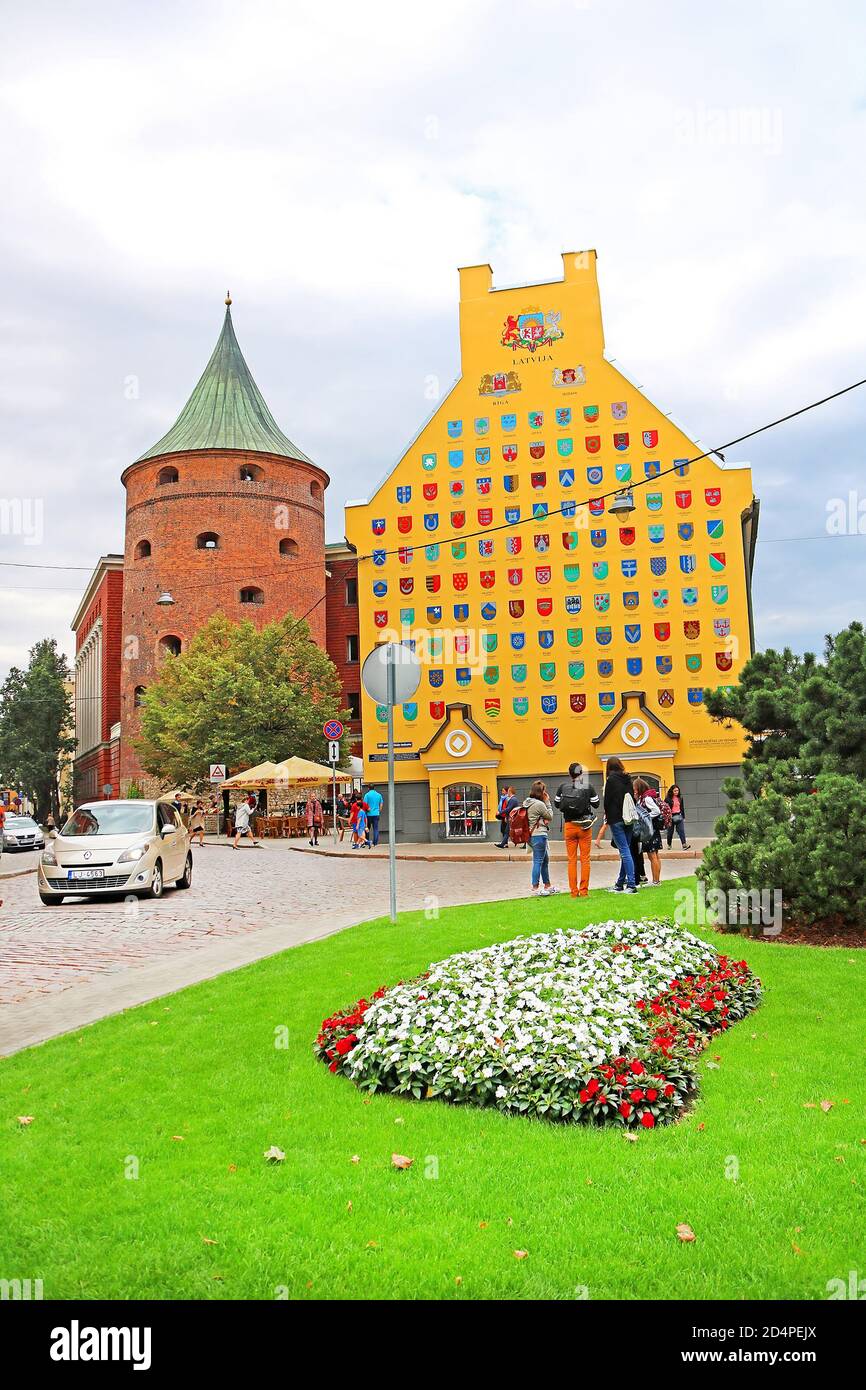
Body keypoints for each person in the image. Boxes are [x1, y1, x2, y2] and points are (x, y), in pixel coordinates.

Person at [554, 763, 600, 897]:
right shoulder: (588, 786)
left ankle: (574, 892)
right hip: (584, 826)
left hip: (569, 826)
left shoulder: (563, 787)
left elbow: (557, 804)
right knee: (585, 859)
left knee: (571, 860)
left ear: (570, 774)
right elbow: (596, 804)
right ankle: (584, 891)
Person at [601, 757, 638, 894]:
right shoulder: (627, 778)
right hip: (628, 819)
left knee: (624, 851)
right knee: (626, 850)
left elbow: (607, 801)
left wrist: (607, 816)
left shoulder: (610, 780)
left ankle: (631, 885)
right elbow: (632, 798)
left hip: (616, 818)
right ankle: (620, 883)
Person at [523, 779, 556, 897]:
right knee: (538, 861)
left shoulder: (527, 802)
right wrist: (547, 802)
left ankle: (548, 885)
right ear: (541, 792)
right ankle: (535, 888)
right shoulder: (539, 804)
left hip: (531, 836)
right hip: (539, 835)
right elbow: (550, 816)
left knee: (544, 860)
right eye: (544, 791)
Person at [633, 778, 663, 885]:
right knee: (655, 855)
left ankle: (655, 881)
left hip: (650, 830)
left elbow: (656, 811)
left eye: (635, 788)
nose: (634, 790)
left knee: (652, 856)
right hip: (653, 829)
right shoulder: (646, 797)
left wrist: (645, 817)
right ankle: (657, 880)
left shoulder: (646, 798)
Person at [665, 784, 691, 848]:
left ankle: (684, 844)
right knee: (670, 832)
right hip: (670, 817)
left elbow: (682, 808)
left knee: (681, 830)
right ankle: (669, 844)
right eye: (675, 791)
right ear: (672, 791)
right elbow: (665, 808)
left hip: (679, 816)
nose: (676, 792)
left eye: (677, 791)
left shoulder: (680, 798)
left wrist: (683, 817)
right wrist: (667, 817)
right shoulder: (667, 799)